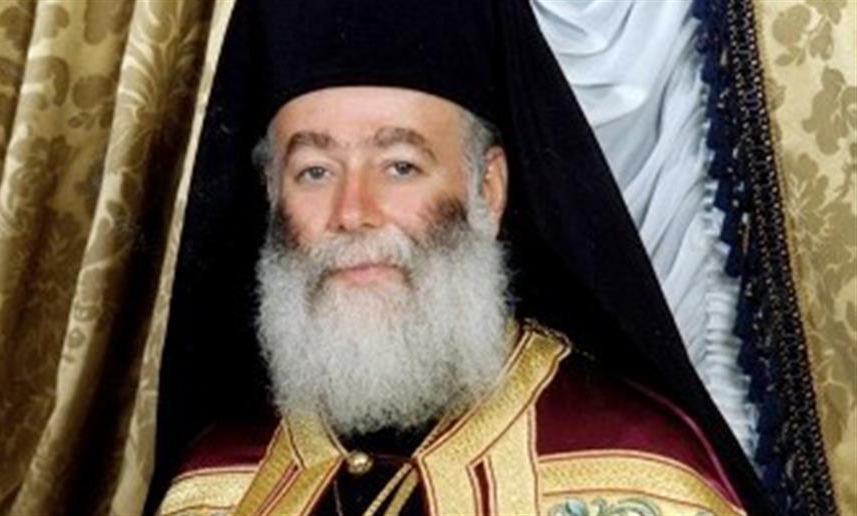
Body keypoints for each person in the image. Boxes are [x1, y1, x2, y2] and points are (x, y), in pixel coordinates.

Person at [150, 1, 774, 514]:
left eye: (400, 165)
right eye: (314, 171)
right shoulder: (212, 489)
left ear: (488, 188)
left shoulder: (641, 476)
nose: (352, 211)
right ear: (271, 195)